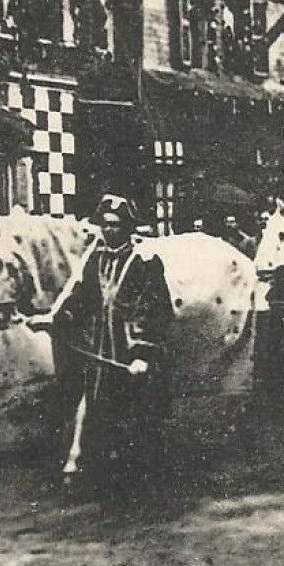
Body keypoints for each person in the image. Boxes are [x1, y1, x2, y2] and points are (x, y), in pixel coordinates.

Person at [46, 195, 175, 500]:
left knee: (136, 413)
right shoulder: (96, 260)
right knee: (97, 408)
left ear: (129, 228)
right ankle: (99, 474)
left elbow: (155, 309)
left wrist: (143, 352)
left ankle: (141, 480)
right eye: (105, 225)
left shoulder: (145, 263)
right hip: (101, 349)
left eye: (116, 226)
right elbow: (83, 297)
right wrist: (61, 317)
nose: (110, 231)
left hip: (130, 354)